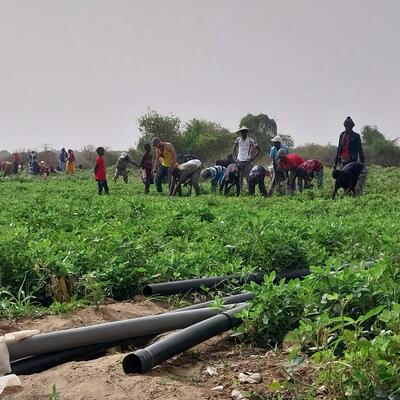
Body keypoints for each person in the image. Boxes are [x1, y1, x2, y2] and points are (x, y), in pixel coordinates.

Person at [334, 116, 367, 195]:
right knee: (341, 179)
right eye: (346, 126)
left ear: (352, 126)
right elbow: (339, 149)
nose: (347, 128)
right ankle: (346, 193)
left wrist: (362, 162)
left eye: (348, 126)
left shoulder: (356, 136)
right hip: (342, 160)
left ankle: (353, 193)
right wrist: (335, 162)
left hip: (351, 160)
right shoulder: (342, 135)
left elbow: (360, 149)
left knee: (352, 178)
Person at [233, 126, 260, 192]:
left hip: (247, 161)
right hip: (239, 160)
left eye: (244, 131)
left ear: (246, 132)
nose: (242, 133)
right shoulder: (238, 139)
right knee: (240, 177)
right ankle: (240, 191)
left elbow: (258, 150)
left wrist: (253, 158)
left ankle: (249, 190)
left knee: (248, 176)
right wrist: (236, 157)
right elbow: (234, 148)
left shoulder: (251, 140)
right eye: (241, 132)